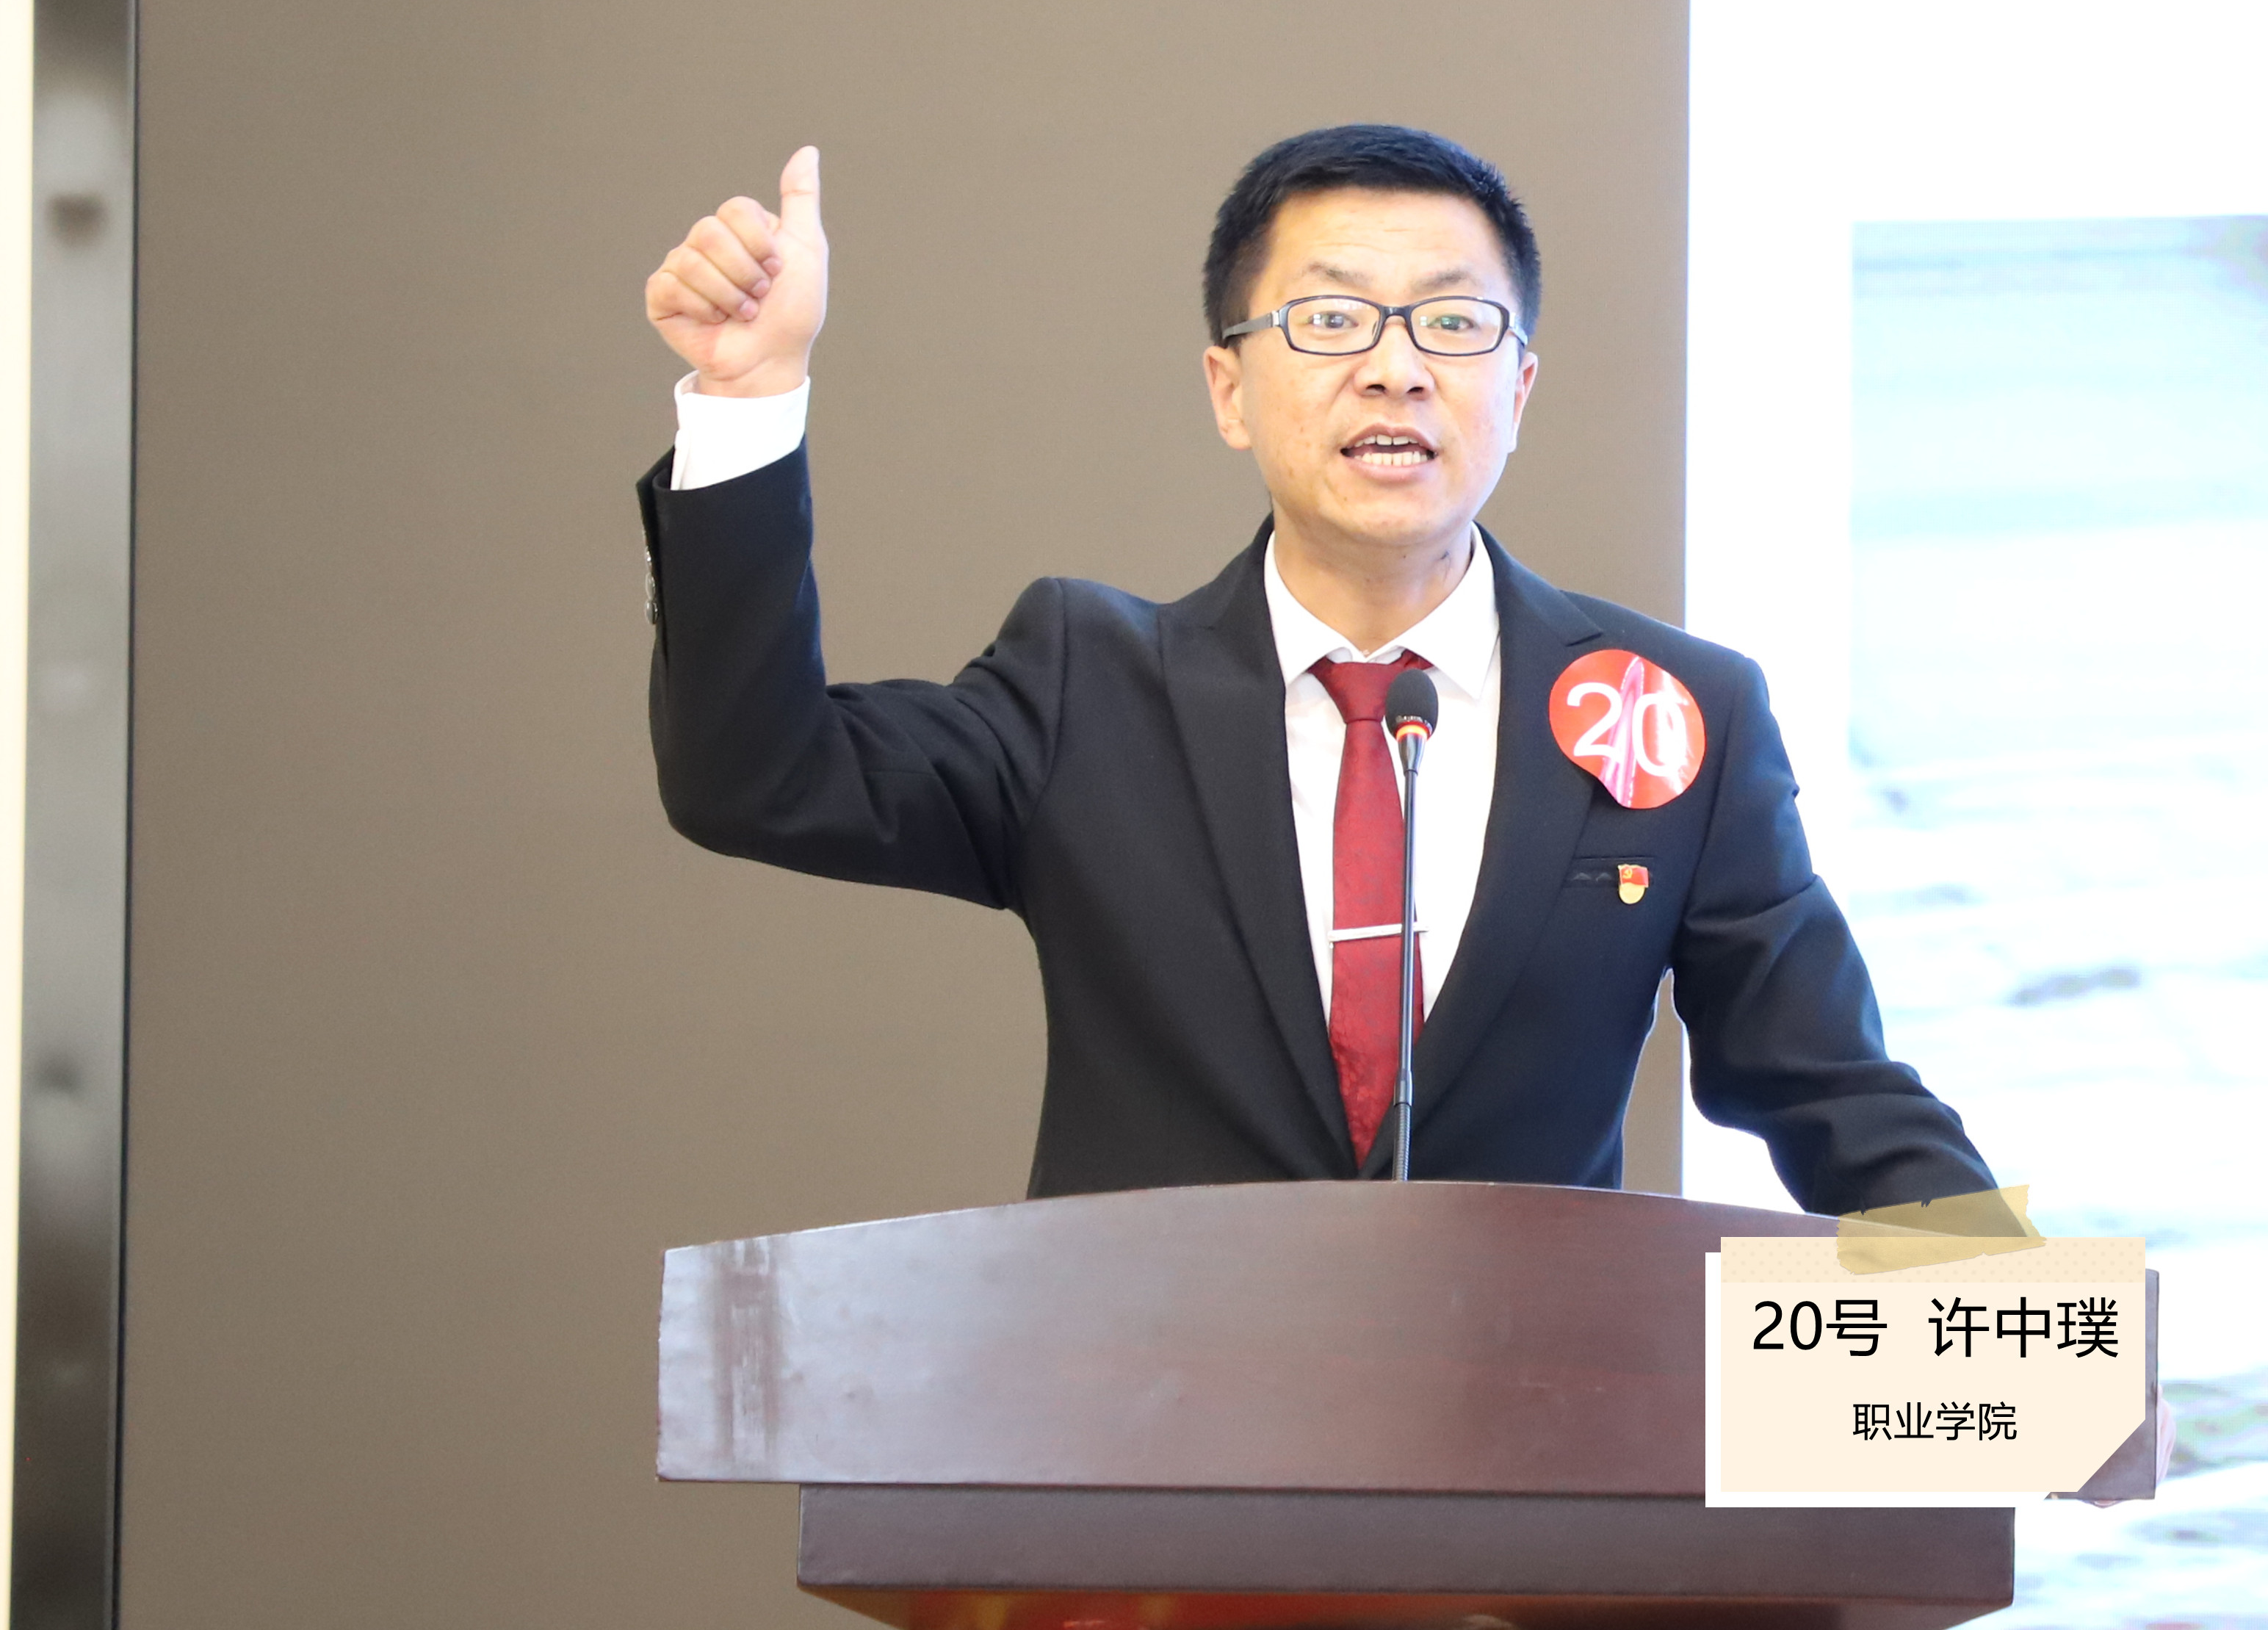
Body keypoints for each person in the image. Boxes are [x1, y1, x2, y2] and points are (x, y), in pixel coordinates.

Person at [637, 124, 1994, 1213]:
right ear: (1229, 389)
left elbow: (1834, 1092)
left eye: (1453, 325)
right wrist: (750, 403)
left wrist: (2024, 1345)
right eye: (1332, 321)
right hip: (1147, 1447)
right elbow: (759, 776)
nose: (1396, 371)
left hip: (1530, 1447)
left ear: (1519, 388)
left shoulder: (1681, 714)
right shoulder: (1086, 686)